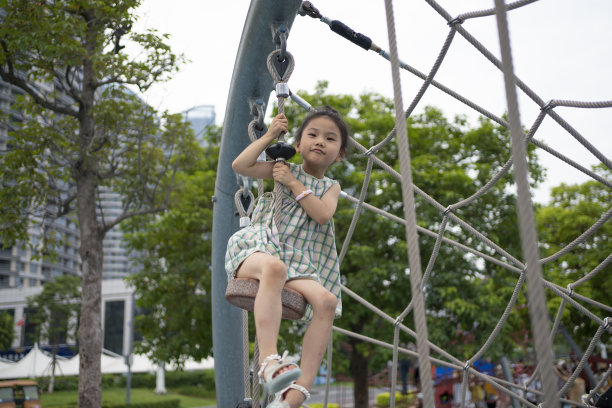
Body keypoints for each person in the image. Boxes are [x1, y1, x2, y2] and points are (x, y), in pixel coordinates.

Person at [225, 107, 349, 408]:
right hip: (261, 246)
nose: (320, 141)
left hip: (298, 260)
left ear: (340, 154)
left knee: (328, 302)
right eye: (313, 134)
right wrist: (269, 135)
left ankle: (296, 393)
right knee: (274, 268)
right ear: (298, 145)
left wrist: (294, 184)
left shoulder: (330, 187)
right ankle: (268, 359)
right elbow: (240, 165)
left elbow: (322, 215)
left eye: (330, 138)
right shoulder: (281, 168)